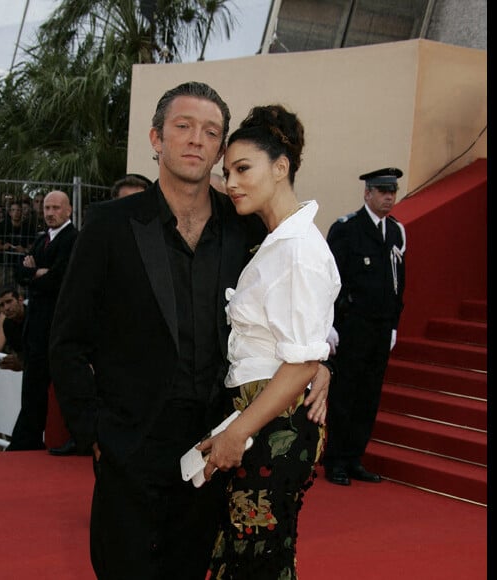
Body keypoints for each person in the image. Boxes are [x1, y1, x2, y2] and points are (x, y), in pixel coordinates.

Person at [48, 81, 331, 580]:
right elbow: (67, 338)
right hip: (130, 443)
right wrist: (93, 432)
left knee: (197, 567)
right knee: (121, 566)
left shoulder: (245, 224)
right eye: (183, 127)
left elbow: (303, 298)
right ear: (157, 139)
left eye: (211, 131)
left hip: (216, 443)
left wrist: (321, 358)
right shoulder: (109, 225)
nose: (197, 140)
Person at [193, 104, 341, 579]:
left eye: (242, 169)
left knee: (257, 557)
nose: (231, 182)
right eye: (227, 172)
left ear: (281, 168)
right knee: (251, 554)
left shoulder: (297, 249)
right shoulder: (276, 241)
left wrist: (237, 432)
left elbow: (299, 363)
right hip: (262, 414)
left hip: (272, 423)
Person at [323, 167, 406, 486]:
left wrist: (395, 324)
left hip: (381, 326)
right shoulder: (347, 229)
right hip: (351, 324)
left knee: (369, 395)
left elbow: (400, 282)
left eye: (392, 192)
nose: (388, 197)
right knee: (345, 393)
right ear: (367, 193)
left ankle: (355, 457)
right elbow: (330, 280)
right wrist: (328, 324)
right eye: (382, 191)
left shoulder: (397, 232)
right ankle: (335, 460)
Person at [6, 190, 78, 451]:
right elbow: (20, 273)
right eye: (46, 208)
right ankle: (27, 439)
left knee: (63, 387)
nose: (50, 213)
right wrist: (37, 272)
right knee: (32, 387)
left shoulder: (73, 239)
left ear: (68, 210)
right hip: (36, 327)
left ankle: (77, 438)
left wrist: (33, 272)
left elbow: (59, 278)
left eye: (56, 208)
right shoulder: (41, 240)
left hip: (57, 326)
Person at [0, 198, 35, 286]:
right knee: (3, 287)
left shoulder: (28, 226)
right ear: (9, 213)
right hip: (5, 263)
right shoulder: (3, 225)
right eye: (13, 210)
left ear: (22, 212)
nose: (16, 213)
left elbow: (32, 246)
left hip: (21, 263)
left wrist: (24, 250)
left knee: (20, 290)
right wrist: (4, 247)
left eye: (18, 210)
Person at [0, 285, 27, 372]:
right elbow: (19, 353)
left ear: (20, 300)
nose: (6, 308)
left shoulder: (35, 316)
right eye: (2, 305)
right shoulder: (7, 324)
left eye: (9, 301)